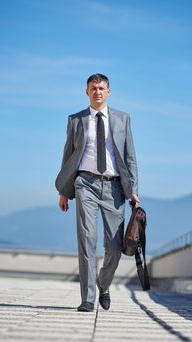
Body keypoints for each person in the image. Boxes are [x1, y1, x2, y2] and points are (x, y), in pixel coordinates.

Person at [55, 73, 139, 312]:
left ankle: (103, 283)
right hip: (85, 184)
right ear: (87, 92)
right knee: (86, 240)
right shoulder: (75, 120)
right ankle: (88, 298)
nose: (97, 92)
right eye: (93, 88)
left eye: (101, 88)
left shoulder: (123, 119)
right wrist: (64, 190)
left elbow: (130, 157)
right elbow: (68, 155)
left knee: (114, 248)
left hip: (114, 188)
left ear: (109, 91)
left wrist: (133, 190)